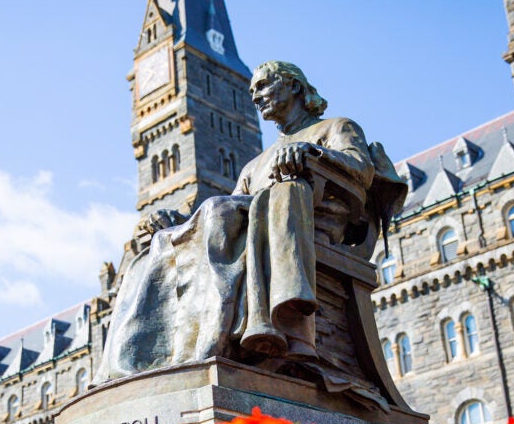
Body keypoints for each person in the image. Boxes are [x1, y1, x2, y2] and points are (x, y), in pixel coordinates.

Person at [93, 61, 401, 405]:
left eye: (264, 86)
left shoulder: (336, 127)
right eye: (252, 91)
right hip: (262, 224)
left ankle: (219, 338)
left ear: (295, 86)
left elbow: (361, 168)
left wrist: (310, 153)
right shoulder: (255, 165)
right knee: (158, 245)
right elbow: (227, 208)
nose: (256, 96)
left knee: (219, 211)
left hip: (311, 223)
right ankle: (143, 359)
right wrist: (178, 222)